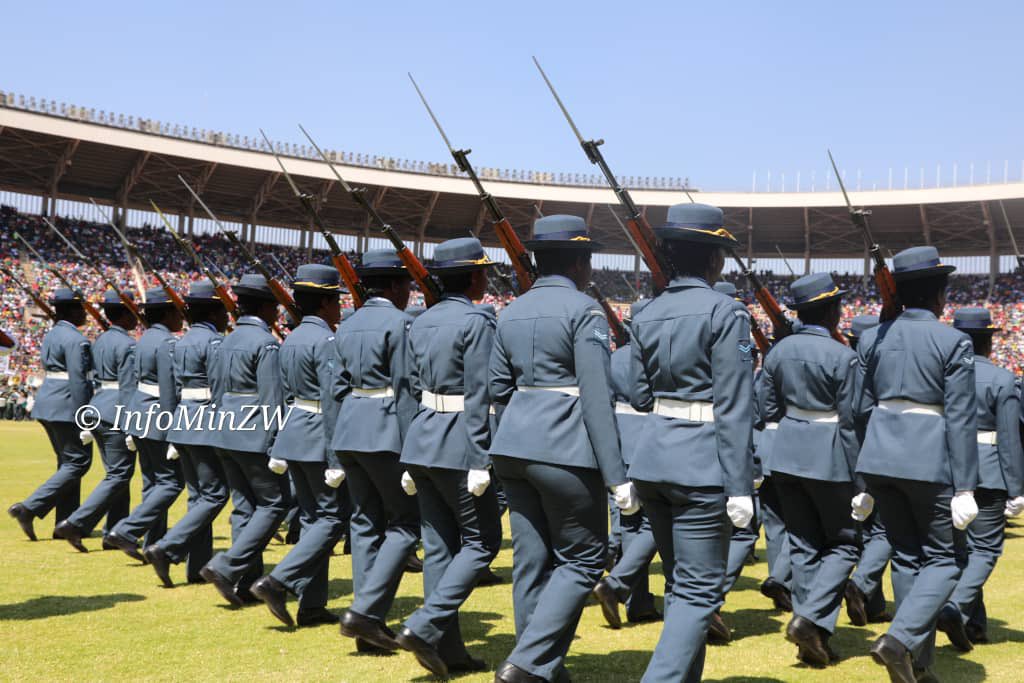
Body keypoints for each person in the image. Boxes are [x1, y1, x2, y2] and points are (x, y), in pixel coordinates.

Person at [489, 215, 637, 683]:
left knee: (530, 563)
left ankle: (542, 667)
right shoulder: (585, 310)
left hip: (513, 445)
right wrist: (616, 475)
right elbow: (596, 396)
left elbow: (496, 385)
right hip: (565, 447)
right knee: (585, 557)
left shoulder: (510, 310)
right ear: (579, 262)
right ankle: (528, 664)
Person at [628, 203, 754, 683]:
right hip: (703, 465)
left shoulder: (648, 313)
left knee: (682, 588)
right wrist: (740, 485)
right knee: (700, 592)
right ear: (714, 260)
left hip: (655, 459)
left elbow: (640, 393)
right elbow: (736, 400)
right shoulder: (728, 313)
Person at [855, 246, 979, 682]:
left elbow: (860, 408)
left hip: (881, 458)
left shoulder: (872, 338)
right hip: (929, 462)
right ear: (940, 295)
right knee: (946, 561)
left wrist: (863, 478)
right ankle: (899, 640)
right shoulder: (954, 340)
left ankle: (918, 665)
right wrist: (966, 485)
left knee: (906, 559)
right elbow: (961, 416)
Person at [394, 237, 501, 676]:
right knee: (483, 542)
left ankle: (449, 650)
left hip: (422, 439)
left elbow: (406, 391)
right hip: (460, 442)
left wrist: (406, 452)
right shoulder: (477, 321)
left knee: (439, 548)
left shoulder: (418, 321)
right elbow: (480, 394)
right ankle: (424, 625)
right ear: (474, 276)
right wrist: (481, 456)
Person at [758, 273, 860, 666]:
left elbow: (767, 409)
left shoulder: (778, 352)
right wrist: (858, 475)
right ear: (832, 310)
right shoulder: (843, 356)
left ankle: (811, 639)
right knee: (845, 543)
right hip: (830, 455)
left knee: (802, 545)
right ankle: (810, 619)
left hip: (785, 454)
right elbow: (850, 422)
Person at [333, 249, 421, 652]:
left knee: (364, 524)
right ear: (393, 285)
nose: (409, 292)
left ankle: (368, 621)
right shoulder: (400, 323)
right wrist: (411, 446)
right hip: (386, 431)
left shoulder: (347, 324)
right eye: (406, 284)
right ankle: (366, 613)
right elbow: (405, 389)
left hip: (350, 429)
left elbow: (335, 389)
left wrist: (334, 447)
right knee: (406, 523)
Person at [250, 265, 345, 628]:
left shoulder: (290, 339)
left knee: (311, 521)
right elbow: (332, 399)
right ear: (324, 303)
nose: (339, 308)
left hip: (295, 434)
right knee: (332, 519)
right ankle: (279, 581)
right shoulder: (326, 341)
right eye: (336, 300)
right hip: (319, 436)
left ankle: (312, 604)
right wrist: (337, 455)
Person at [937, 307, 1024, 649]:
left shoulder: (942, 374)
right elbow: (1009, 439)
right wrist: (1017, 489)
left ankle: (975, 625)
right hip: (987, 472)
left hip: (946, 470)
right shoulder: (1003, 379)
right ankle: (955, 609)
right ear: (989, 341)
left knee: (961, 552)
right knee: (984, 550)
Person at [200, 274, 289, 607]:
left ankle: (245, 582)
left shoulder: (226, 340)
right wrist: (274, 444)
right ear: (266, 307)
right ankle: (226, 566)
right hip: (253, 433)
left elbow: (218, 392)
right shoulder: (265, 343)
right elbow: (272, 400)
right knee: (274, 503)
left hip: (223, 432)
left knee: (245, 507)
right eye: (275, 307)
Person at [143, 280, 230, 586]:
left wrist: (169, 432)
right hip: (205, 421)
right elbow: (220, 391)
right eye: (224, 310)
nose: (228, 317)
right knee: (216, 494)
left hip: (182, 421)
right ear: (214, 312)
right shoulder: (215, 342)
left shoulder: (177, 342)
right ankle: (166, 549)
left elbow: (170, 392)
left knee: (198, 498)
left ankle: (197, 567)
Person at [592, 298, 661, 631]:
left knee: (627, 523)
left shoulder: (613, 357)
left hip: (618, 446)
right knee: (658, 524)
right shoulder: (658, 356)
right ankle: (623, 589)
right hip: (652, 444)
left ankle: (639, 601)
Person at [104, 288, 185, 561]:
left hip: (139, 416)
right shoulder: (167, 342)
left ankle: (154, 542)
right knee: (171, 482)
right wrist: (173, 429)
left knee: (153, 482)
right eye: (177, 311)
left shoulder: (142, 339)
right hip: (157, 416)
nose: (181, 317)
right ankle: (127, 531)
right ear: (167, 313)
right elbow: (169, 389)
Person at [54, 290, 138, 552]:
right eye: (133, 313)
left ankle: (115, 530)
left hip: (97, 410)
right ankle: (77, 523)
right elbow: (128, 387)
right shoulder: (128, 345)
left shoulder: (99, 341)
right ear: (124, 315)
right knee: (119, 474)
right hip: (116, 413)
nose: (137, 318)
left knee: (117, 475)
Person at [8, 288, 93, 541]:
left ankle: (66, 522)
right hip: (67, 406)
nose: (85, 313)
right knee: (79, 462)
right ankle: (29, 508)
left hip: (48, 404)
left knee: (67, 465)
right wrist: (85, 416)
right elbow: (79, 381)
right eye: (81, 309)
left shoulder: (52, 334)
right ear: (71, 310)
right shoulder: (76, 340)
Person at [843, 314, 893, 625]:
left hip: (843, 459)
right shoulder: (874, 369)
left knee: (864, 532)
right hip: (875, 456)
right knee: (886, 529)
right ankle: (861, 585)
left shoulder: (844, 362)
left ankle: (873, 606)